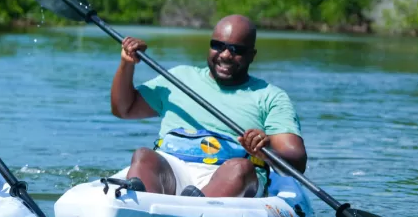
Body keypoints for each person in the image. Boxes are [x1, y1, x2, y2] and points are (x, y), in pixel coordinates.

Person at [110, 14, 307, 198]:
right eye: (218, 45)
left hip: (229, 178)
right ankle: (144, 210)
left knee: (240, 168)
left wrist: (264, 151)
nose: (226, 55)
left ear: (252, 55)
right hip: (173, 168)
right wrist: (127, 63)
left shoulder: (270, 97)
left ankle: (192, 210)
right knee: (144, 156)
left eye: (237, 50)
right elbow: (123, 109)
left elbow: (297, 160)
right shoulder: (178, 77)